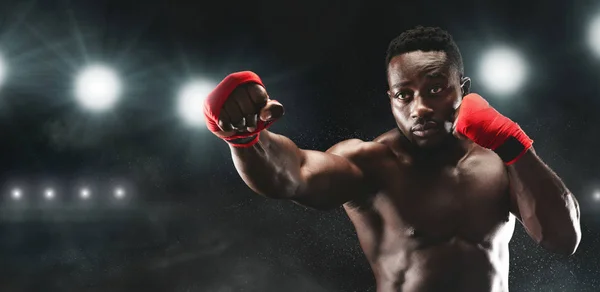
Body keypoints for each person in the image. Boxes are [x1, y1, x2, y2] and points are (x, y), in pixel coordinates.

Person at [203, 26, 581, 292]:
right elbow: (292, 175)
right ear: (391, 99)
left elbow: (563, 239)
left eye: (435, 89)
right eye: (404, 95)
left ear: (461, 89)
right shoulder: (371, 163)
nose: (419, 108)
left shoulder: (499, 160)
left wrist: (513, 144)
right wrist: (246, 138)